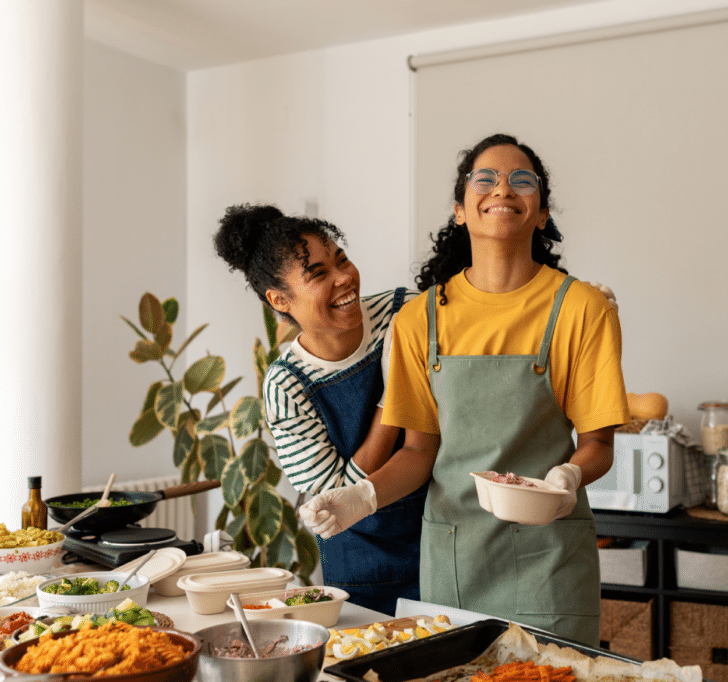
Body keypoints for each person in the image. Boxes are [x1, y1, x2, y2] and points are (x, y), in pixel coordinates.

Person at [301, 133, 630, 645]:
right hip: (455, 562)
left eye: (522, 181)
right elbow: (418, 452)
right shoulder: (418, 320)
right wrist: (362, 498)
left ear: (541, 212)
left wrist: (569, 476)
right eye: (486, 179)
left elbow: (599, 443)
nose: (503, 188)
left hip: (550, 563)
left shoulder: (581, 308)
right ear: (460, 209)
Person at [213, 203, 426, 615]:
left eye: (341, 259)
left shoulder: (403, 313)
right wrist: (391, 395)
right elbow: (339, 498)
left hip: (443, 542)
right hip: (364, 570)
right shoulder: (287, 385)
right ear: (279, 299)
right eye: (319, 274)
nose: (345, 278)